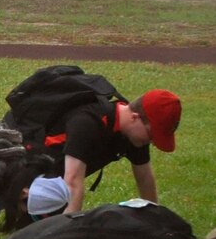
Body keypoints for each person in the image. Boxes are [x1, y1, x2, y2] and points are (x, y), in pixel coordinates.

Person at [27, 88, 177, 218]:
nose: (151, 142)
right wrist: (67, 233)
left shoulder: (132, 134)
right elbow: (72, 182)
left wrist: (154, 219)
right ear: (135, 117)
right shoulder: (88, 121)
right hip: (24, 170)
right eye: (151, 136)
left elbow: (145, 180)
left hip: (53, 184)